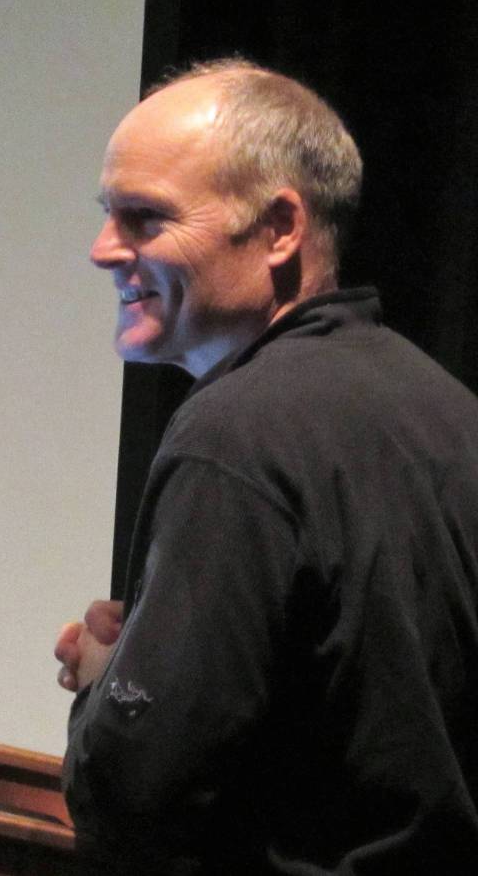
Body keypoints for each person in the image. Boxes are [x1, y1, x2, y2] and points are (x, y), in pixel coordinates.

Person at [55, 58, 478, 874]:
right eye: (108, 215)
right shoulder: (450, 413)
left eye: (144, 218)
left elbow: (136, 792)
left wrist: (107, 686)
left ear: (281, 226)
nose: (104, 250)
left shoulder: (234, 434)